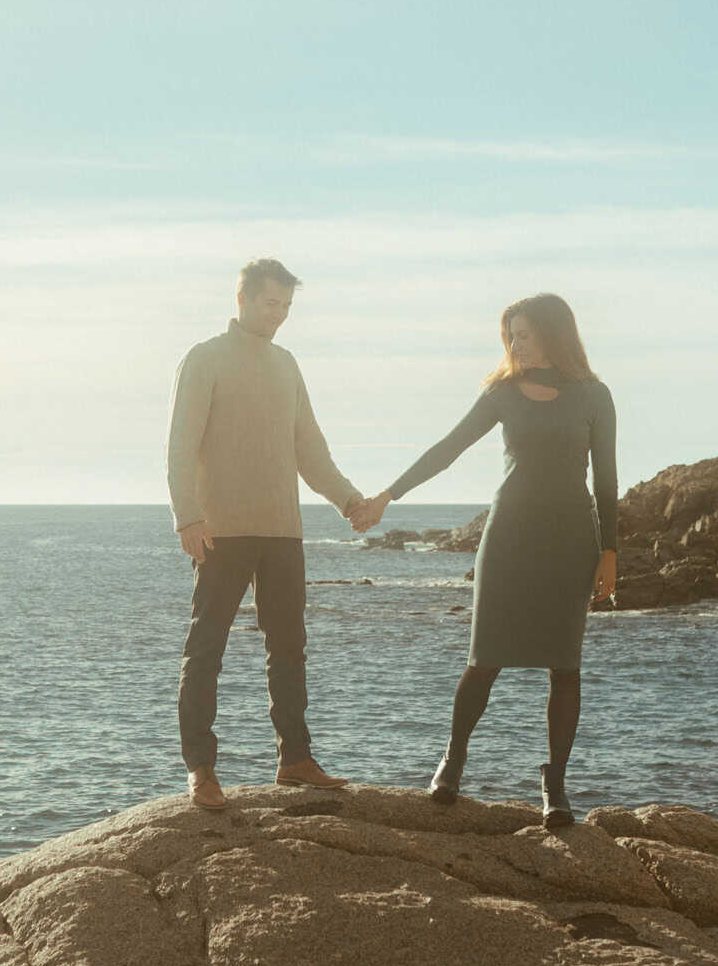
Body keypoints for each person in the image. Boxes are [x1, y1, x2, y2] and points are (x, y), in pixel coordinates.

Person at [360, 293, 616, 828]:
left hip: (571, 540)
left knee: (565, 666)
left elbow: (607, 481)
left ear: (553, 332)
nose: (516, 345)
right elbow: (447, 449)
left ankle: (556, 785)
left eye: (524, 334)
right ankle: (453, 761)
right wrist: (389, 495)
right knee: (485, 657)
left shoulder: (595, 396)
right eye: (511, 336)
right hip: (509, 538)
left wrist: (609, 553)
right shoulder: (501, 393)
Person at [167, 258, 372, 810]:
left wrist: (349, 500)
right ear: (242, 300)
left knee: (289, 648)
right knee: (206, 649)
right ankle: (202, 769)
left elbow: (311, 450)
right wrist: (187, 516)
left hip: (283, 531)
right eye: (269, 304)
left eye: (286, 306)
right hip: (220, 532)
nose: (278, 315)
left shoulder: (287, 365)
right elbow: (180, 445)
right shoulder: (204, 358)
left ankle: (295, 759)